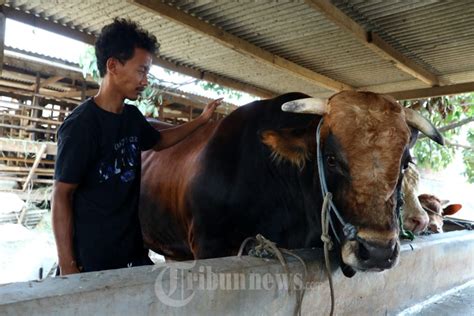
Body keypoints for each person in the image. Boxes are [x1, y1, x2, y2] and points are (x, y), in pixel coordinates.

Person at [52, 18, 222, 275]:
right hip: (93, 256)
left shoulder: (131, 117)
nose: (145, 81)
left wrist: (201, 121)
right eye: (141, 71)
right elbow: (61, 194)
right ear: (113, 66)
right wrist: (67, 264)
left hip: (132, 250)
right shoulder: (81, 126)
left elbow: (160, 141)